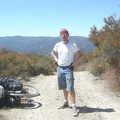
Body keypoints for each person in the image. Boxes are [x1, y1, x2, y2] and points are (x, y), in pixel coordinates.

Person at [51, 29, 84, 117]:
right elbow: (52, 52)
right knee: (63, 87)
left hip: (68, 69)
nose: (63, 36)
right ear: (60, 36)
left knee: (71, 88)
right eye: (62, 34)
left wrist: (74, 63)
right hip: (60, 68)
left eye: (65, 34)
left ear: (68, 35)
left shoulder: (72, 45)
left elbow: (81, 55)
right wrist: (56, 60)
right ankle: (66, 102)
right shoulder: (58, 45)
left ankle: (73, 106)